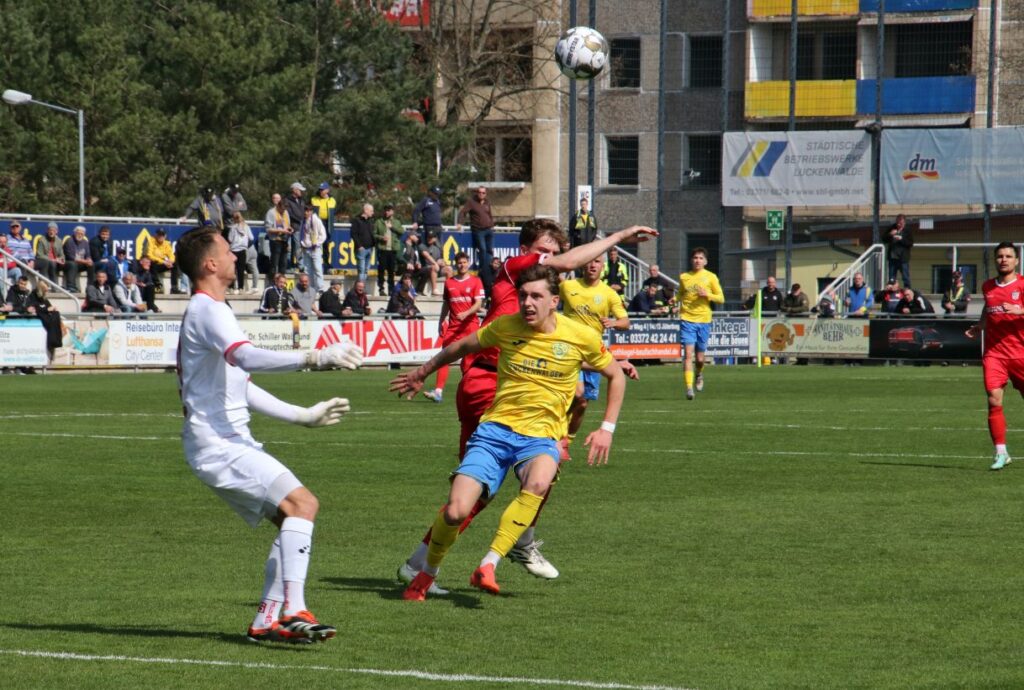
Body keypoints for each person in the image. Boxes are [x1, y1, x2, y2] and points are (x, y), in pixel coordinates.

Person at [394, 219, 655, 591]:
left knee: (526, 462)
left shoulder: (535, 306)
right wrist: (617, 237)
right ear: (527, 248)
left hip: (489, 377)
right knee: (498, 482)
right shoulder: (519, 268)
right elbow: (562, 268)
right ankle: (511, 542)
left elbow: (543, 351)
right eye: (546, 249)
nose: (551, 258)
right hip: (489, 382)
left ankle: (438, 559)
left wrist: (604, 361)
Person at [175, 227, 363, 643]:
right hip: (218, 445)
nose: (234, 256)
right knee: (303, 504)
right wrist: (312, 357)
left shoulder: (209, 310)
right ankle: (294, 608)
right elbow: (244, 357)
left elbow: (239, 381)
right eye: (227, 251)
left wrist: (302, 415)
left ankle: (266, 618)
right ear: (210, 264)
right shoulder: (208, 310)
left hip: (222, 444)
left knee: (293, 519)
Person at [560, 256, 630, 460]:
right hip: (568, 350)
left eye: (597, 262)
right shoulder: (568, 286)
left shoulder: (609, 294)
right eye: (589, 261)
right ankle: (555, 434)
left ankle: (567, 442)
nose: (592, 265)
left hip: (594, 353)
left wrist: (614, 323)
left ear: (603, 266)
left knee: (582, 404)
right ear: (582, 263)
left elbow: (625, 321)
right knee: (578, 394)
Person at [966, 242, 1024, 470]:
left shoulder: (1022, 285)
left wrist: (1020, 310)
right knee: (993, 399)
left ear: (1016, 261)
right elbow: (988, 307)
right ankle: (1001, 452)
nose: (1004, 260)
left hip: (1020, 353)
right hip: (995, 354)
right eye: (1000, 256)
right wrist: (980, 325)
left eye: (1008, 256)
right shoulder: (988, 286)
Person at [423, 252, 484, 403]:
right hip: (453, 327)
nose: (462, 265)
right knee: (444, 357)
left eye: (464, 262)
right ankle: (438, 392)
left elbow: (478, 304)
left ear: (468, 263)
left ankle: (469, 391)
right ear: (456, 264)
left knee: (469, 361)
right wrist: (441, 320)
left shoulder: (476, 281)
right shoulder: (449, 283)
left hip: (470, 326)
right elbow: (446, 303)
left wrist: (467, 313)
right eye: (459, 263)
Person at [677, 247, 724, 401]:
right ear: (692, 260)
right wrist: (674, 300)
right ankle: (689, 388)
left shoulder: (711, 277)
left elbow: (721, 298)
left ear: (705, 261)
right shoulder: (684, 277)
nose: (698, 260)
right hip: (687, 319)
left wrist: (707, 295)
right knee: (688, 355)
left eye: (700, 258)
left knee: (700, 358)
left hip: (704, 320)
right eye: (695, 257)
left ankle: (699, 374)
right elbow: (681, 294)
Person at [457, 186, 495, 292]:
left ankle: (487, 269)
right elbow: (462, 212)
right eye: (480, 192)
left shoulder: (487, 202)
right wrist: (460, 223)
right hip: (478, 230)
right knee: (482, 249)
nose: (481, 194)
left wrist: (492, 224)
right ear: (477, 193)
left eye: (483, 193)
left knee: (490, 251)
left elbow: (489, 214)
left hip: (488, 230)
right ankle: (483, 269)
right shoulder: (471, 202)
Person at [26, 280, 63, 360]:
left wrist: (52, 308)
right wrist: (46, 309)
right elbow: (33, 308)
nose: (46, 292)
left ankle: (54, 342)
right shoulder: (32, 296)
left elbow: (49, 306)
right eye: (45, 290)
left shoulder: (44, 298)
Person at [374, 205, 403, 296]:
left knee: (391, 270)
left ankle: (391, 289)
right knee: (381, 270)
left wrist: (392, 227)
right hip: (383, 249)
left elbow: (401, 232)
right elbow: (374, 234)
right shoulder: (379, 222)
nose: (387, 212)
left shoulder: (396, 222)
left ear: (392, 212)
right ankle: (381, 288)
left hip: (393, 249)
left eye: (389, 210)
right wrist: (381, 238)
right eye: (385, 210)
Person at [297, 205, 326, 293]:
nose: (306, 213)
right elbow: (304, 234)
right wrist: (302, 243)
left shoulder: (316, 220)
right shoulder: (304, 221)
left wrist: (316, 243)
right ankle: (311, 287)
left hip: (315, 248)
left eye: (308, 211)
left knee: (317, 268)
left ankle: (320, 287)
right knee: (307, 269)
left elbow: (323, 235)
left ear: (311, 211)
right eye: (305, 211)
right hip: (306, 248)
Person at [264, 193, 291, 284]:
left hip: (285, 241)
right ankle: (271, 283)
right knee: (274, 264)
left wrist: (289, 229)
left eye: (285, 209)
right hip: (275, 241)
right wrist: (282, 231)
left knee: (283, 264)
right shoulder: (271, 213)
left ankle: (281, 283)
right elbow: (268, 229)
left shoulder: (286, 213)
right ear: (278, 206)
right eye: (282, 209)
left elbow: (287, 225)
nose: (284, 211)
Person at [146, 228, 183, 294]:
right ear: (156, 235)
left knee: (175, 264)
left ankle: (174, 288)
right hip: (154, 264)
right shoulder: (151, 241)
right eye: (159, 235)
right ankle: (158, 287)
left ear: (165, 236)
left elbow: (171, 255)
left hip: (163, 264)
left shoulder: (166, 243)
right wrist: (163, 262)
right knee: (152, 263)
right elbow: (150, 255)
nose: (161, 237)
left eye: (162, 235)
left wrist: (170, 261)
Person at [227, 211, 254, 294]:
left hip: (234, 250)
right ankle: (241, 288)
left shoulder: (232, 228)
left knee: (232, 269)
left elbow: (230, 239)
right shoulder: (246, 227)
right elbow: (252, 238)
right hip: (242, 250)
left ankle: (231, 287)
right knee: (241, 270)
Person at [417, 231, 451, 296]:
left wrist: (442, 262)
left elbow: (440, 259)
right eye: (428, 237)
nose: (429, 239)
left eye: (431, 237)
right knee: (434, 266)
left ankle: (449, 289)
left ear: (435, 238)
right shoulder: (422, 245)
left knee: (449, 269)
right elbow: (427, 256)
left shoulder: (437, 248)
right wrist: (436, 263)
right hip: (425, 269)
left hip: (436, 270)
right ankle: (434, 290)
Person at [350, 203, 375, 285]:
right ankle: (361, 287)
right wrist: (359, 246)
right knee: (361, 269)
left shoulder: (370, 221)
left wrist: (373, 245)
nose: (373, 213)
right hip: (361, 249)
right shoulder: (357, 220)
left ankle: (361, 286)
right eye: (371, 211)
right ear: (365, 210)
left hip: (369, 248)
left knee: (366, 270)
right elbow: (353, 234)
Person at [886, 214, 913, 287]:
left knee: (905, 277)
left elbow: (910, 243)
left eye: (900, 222)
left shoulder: (907, 231)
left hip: (903, 258)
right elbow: (884, 239)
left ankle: (907, 291)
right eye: (897, 222)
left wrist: (901, 239)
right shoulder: (892, 228)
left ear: (904, 222)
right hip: (892, 257)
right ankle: (891, 291)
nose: (898, 224)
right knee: (892, 277)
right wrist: (890, 234)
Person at [62, 225, 92, 293]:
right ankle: (71, 286)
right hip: (68, 263)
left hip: (81, 263)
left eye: (82, 234)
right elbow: (71, 257)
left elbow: (88, 254)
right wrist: (85, 261)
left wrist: (89, 259)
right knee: (73, 264)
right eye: (78, 233)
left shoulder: (85, 242)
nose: (80, 235)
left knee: (92, 265)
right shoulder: (69, 241)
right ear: (74, 233)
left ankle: (90, 286)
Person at [284, 182, 307, 269]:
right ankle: (288, 266)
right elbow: (289, 213)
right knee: (289, 248)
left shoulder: (301, 200)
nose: (301, 192)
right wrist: (299, 219)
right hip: (289, 228)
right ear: (295, 190)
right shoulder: (287, 200)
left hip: (298, 228)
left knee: (298, 247)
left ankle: (300, 266)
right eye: (300, 190)